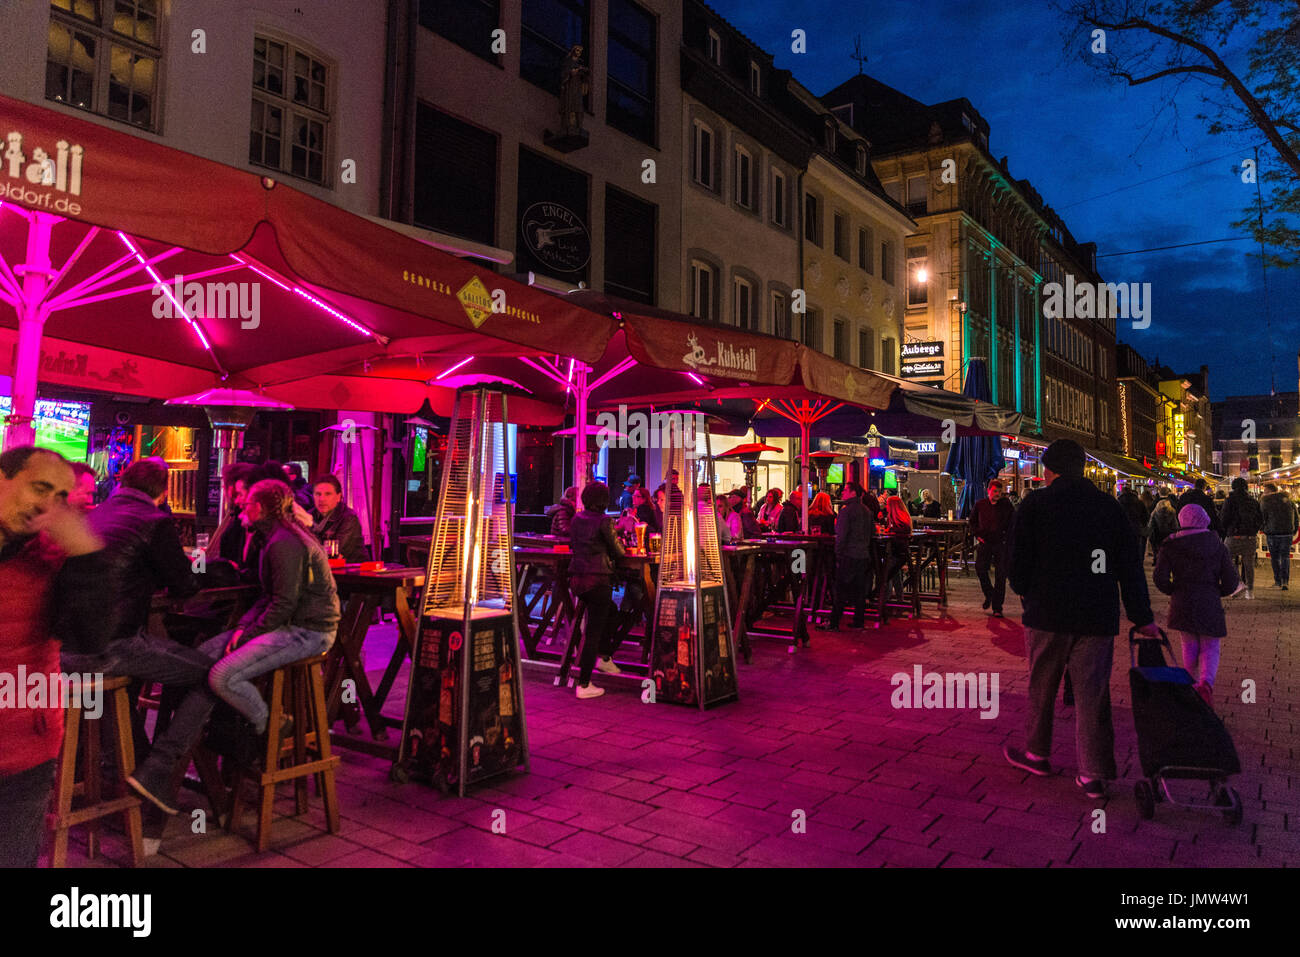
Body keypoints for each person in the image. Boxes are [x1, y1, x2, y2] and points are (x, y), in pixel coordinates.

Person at [58, 461, 212, 832]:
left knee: (125, 690)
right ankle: (157, 769)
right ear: (162, 490)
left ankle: (120, 768)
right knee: (215, 673)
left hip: (64, 652)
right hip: (111, 648)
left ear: (123, 482)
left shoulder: (96, 514)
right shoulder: (154, 520)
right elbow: (185, 586)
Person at [1004, 439, 1157, 800]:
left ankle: (1037, 754)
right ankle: (1093, 774)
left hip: (1047, 612)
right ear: (1083, 469)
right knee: (1092, 693)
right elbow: (1129, 566)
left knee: (1042, 685)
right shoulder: (1108, 507)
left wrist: (1024, 589)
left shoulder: (1036, 504)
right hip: (1096, 614)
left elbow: (1016, 558)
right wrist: (1142, 616)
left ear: (1050, 470)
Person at [0, 446, 116, 867]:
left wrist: (87, 557)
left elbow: (91, 639)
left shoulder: (57, 559)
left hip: (21, 753)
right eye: (40, 487)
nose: (48, 506)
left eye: (61, 498)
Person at [200, 480, 340, 737]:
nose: (242, 507)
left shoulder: (284, 543)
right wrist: (243, 627)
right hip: (290, 623)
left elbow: (284, 603)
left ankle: (270, 724)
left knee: (222, 676)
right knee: (203, 655)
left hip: (308, 630)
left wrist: (249, 635)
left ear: (261, 508)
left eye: (248, 503)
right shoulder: (274, 537)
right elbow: (270, 596)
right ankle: (216, 734)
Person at [1153, 504, 1238, 708]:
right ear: (1204, 519)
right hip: (1209, 599)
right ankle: (1206, 684)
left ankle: (1190, 684)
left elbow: (1159, 577)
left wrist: (1173, 590)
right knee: (1210, 645)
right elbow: (1231, 581)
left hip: (1182, 600)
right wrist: (1218, 591)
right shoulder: (1216, 544)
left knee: (1188, 643)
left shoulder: (1170, 544)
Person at [567, 481, 625, 699]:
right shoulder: (604, 521)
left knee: (610, 613)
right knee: (594, 631)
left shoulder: (576, 518)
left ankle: (605, 657)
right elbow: (618, 551)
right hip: (598, 579)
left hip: (577, 580)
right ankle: (584, 683)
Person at [827, 482, 872, 631]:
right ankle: (858, 621)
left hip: (848, 554)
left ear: (853, 493)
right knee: (860, 591)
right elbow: (871, 533)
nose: (842, 493)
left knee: (840, 591)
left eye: (846, 490)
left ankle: (834, 622)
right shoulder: (867, 511)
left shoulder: (846, 511)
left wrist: (837, 554)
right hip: (863, 555)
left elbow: (841, 536)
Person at [969, 478, 1015, 617]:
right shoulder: (980, 504)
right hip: (985, 542)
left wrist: (1008, 538)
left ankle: (997, 607)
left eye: (999, 492)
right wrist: (977, 535)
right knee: (980, 569)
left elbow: (1013, 522)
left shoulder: (1006, 505)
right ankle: (989, 594)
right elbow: (972, 522)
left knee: (1001, 575)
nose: (997, 494)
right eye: (995, 491)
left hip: (1001, 543)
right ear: (988, 491)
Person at [1218, 477, 1262, 599]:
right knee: (1249, 564)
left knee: (1227, 559)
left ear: (1233, 487)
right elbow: (1260, 519)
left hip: (1233, 536)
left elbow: (1224, 519)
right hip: (1250, 537)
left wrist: (1227, 530)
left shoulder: (1230, 501)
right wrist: (1253, 531)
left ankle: (1238, 583)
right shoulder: (1253, 501)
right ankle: (1250, 592)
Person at [308, 474, 367, 563]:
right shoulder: (308, 516)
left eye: (328, 494)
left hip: (351, 572)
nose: (322, 499)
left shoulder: (348, 518)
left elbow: (333, 553)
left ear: (338, 497)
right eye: (318, 494)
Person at [1260, 482, 1298, 589]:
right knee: (1285, 557)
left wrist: (1263, 529)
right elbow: (1296, 516)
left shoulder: (1265, 501)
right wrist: (1293, 530)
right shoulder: (1288, 500)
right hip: (1287, 533)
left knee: (1275, 558)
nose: (1264, 493)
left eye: (1265, 491)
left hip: (1272, 533)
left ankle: (1278, 581)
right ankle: (1285, 581)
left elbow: (1262, 517)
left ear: (1269, 491)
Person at [880, 494, 913, 603]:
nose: (886, 507)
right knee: (894, 573)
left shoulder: (899, 521)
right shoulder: (902, 517)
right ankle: (899, 597)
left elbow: (895, 535)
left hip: (897, 553)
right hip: (902, 553)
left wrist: (887, 531)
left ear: (892, 506)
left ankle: (885, 598)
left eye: (887, 505)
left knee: (886, 572)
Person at [1118, 484, 1150, 560]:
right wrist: (1143, 525)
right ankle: (1137, 561)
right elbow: (1145, 516)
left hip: (1122, 529)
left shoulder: (1118, 503)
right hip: (1136, 527)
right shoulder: (1139, 502)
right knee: (1136, 546)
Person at [1147, 496, 1179, 563]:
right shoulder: (1172, 512)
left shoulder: (1155, 512)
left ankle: (1156, 558)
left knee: (1157, 547)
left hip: (1157, 534)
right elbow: (1175, 525)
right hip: (1168, 534)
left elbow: (1150, 524)